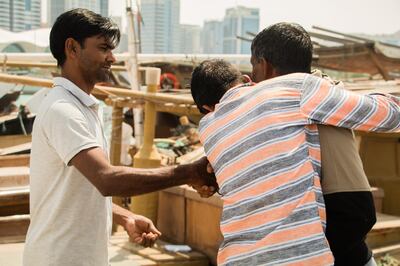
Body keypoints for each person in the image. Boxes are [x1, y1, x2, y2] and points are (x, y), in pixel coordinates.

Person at [23, 9, 217, 266]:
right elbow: (106, 180)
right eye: (103, 48)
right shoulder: (63, 110)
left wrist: (124, 216)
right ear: (72, 48)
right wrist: (188, 173)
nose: (112, 57)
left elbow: (80, 189)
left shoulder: (81, 107)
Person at [190, 58, 400, 265]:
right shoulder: (293, 89)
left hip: (238, 257)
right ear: (247, 79)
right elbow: (389, 115)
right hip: (307, 251)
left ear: (207, 108)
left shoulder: (208, 128)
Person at [250, 22, 377, 266]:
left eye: (253, 64)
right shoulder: (326, 91)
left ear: (264, 65)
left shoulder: (281, 101)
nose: (252, 74)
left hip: (334, 210)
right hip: (354, 211)